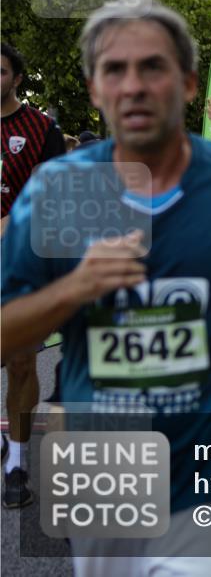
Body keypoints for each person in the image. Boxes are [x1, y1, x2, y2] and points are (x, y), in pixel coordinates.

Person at [0, 0, 211, 574]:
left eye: (152, 67)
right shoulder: (61, 189)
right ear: (94, 89)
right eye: (114, 70)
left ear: (188, 85)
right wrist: (76, 287)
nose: (134, 85)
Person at [1, 41, 66, 508]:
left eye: (0, 72)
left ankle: (17, 464)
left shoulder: (43, 129)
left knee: (22, 362)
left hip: (20, 263)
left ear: (17, 78)